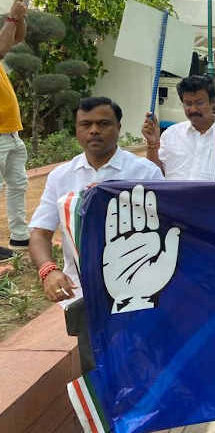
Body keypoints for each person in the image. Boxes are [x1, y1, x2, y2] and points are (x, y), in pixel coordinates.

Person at [28, 97, 163, 372]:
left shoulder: (144, 172)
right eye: (85, 124)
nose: (94, 131)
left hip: (136, 291)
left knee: (141, 366)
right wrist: (48, 270)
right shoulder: (61, 176)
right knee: (95, 369)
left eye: (103, 124)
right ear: (76, 130)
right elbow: (40, 232)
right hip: (83, 292)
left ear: (118, 127)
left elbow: (166, 228)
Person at [141, 75, 215, 180]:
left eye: (199, 103)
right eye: (188, 104)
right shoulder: (171, 134)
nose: (193, 109)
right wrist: (152, 144)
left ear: (212, 102)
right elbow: (156, 174)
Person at [0, 0, 31, 257]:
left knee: (18, 184)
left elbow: (16, 39)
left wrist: (21, 16)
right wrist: (12, 17)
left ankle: (20, 237)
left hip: (10, 132)